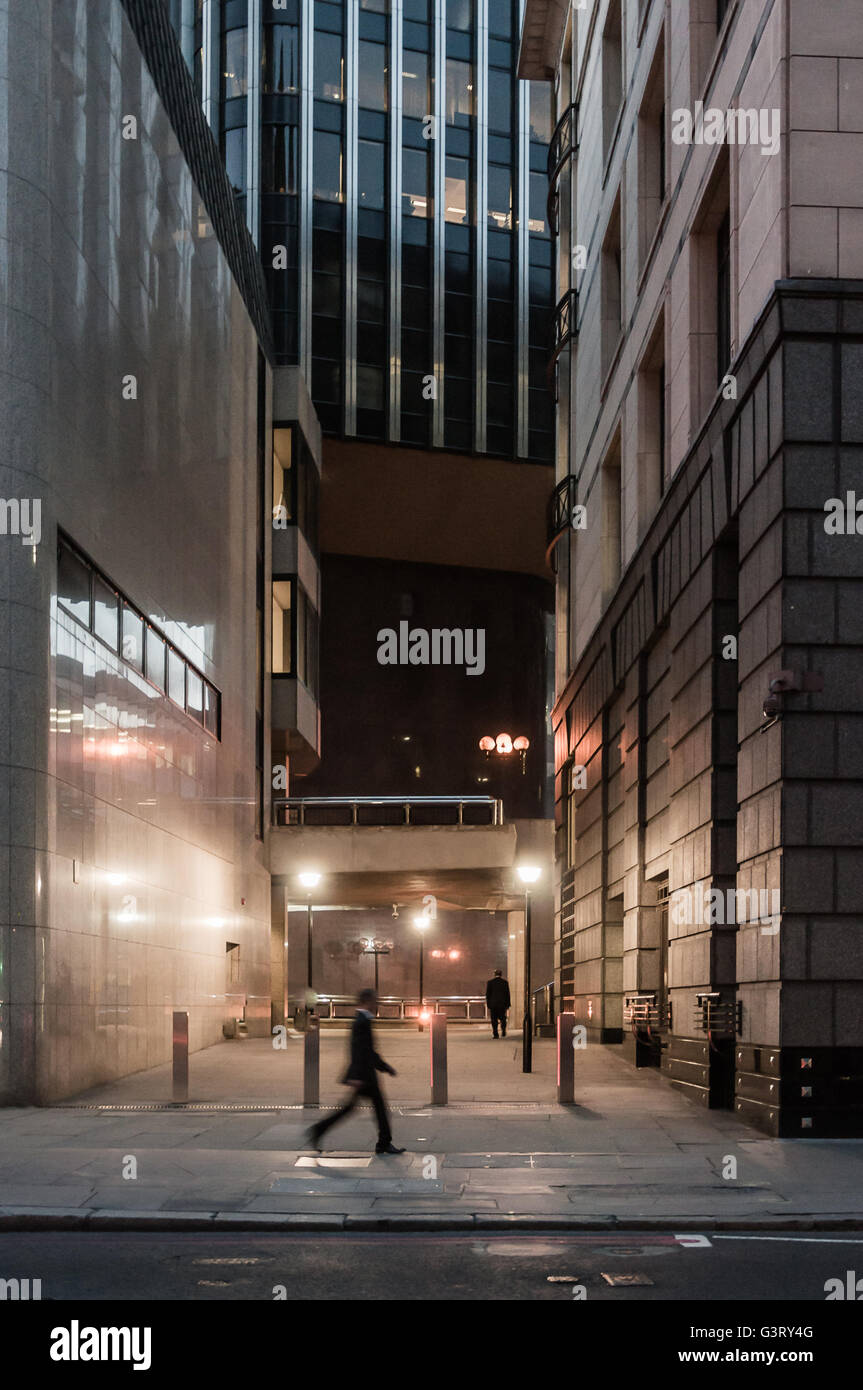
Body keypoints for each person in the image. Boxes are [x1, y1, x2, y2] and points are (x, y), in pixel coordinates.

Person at [305, 988, 405, 1155]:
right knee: (373, 1109)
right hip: (364, 1076)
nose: (376, 1004)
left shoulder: (363, 1020)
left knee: (357, 1108)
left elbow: (366, 1051)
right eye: (374, 1001)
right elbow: (359, 1051)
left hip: (364, 1075)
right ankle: (383, 1143)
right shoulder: (361, 1022)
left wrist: (383, 1067)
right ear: (366, 1001)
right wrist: (374, 1071)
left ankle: (319, 1130)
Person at [485, 969, 511, 1039]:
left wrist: (488, 1004)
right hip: (502, 1004)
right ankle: (503, 1030)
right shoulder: (505, 982)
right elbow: (507, 994)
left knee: (494, 1019)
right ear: (501, 974)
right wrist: (508, 1004)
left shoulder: (490, 982)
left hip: (493, 1004)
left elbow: (488, 994)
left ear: (494, 974)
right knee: (503, 1018)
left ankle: (495, 1033)